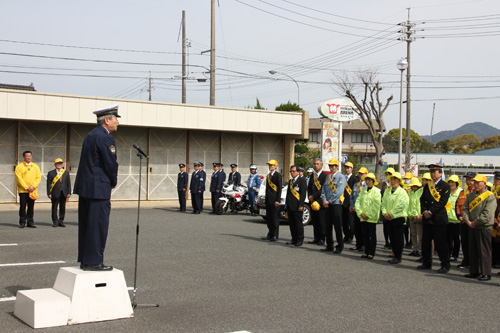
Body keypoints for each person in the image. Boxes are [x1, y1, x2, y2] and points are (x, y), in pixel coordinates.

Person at [73, 104, 120, 271]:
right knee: (98, 224)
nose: (117, 123)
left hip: (86, 186)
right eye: (115, 119)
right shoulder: (105, 137)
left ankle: (86, 259)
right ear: (107, 120)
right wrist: (113, 180)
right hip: (99, 187)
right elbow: (110, 163)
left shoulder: (91, 135)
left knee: (86, 224)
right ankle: (94, 261)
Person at [418, 163, 451, 274]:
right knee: (426, 242)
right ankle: (426, 262)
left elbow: (442, 202)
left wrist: (431, 212)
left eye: (434, 172)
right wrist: (424, 211)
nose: (432, 174)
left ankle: (445, 264)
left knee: (441, 243)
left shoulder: (445, 186)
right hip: (427, 219)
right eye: (431, 172)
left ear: (440, 173)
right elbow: (422, 200)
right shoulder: (428, 186)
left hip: (438, 219)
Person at [462, 174, 496, 281]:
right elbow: (465, 208)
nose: (475, 185)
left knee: (484, 251)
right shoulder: (471, 195)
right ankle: (474, 271)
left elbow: (487, 214)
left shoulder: (490, 196)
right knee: (472, 250)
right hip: (472, 226)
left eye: (478, 183)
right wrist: (467, 221)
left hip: (483, 226)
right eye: (474, 182)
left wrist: (475, 222)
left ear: (484, 184)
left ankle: (486, 273)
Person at [381, 172, 409, 264]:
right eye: (391, 180)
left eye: (395, 180)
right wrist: (385, 213)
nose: (393, 182)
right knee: (392, 237)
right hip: (389, 218)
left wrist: (391, 214)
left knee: (398, 238)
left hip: (398, 217)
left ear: (399, 181)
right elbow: (383, 203)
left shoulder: (402, 192)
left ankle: (398, 256)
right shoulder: (387, 191)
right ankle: (394, 254)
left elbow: (401, 205)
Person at [321, 158, 346, 254]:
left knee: (337, 226)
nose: (331, 168)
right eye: (330, 166)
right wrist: (324, 200)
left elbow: (339, 192)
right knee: (327, 226)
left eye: (333, 166)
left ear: (337, 167)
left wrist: (329, 201)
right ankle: (329, 245)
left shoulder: (341, 177)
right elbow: (323, 191)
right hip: (327, 205)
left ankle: (340, 246)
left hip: (336, 205)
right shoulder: (328, 177)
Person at [355, 173, 381, 259]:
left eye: (369, 180)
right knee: (365, 235)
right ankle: (366, 251)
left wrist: (368, 214)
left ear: (373, 181)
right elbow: (357, 202)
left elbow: (376, 205)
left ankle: (371, 252)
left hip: (371, 218)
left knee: (372, 235)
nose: (367, 181)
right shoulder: (363, 191)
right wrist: (360, 213)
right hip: (363, 217)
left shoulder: (377, 191)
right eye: (366, 180)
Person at [15, 150, 41, 228]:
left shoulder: (35, 166)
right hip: (23, 190)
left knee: (31, 206)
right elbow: (19, 179)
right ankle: (22, 222)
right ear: (23, 157)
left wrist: (33, 186)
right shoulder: (19, 167)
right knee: (23, 206)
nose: (28, 157)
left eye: (30, 156)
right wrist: (26, 187)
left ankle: (30, 222)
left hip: (33, 190)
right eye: (27, 156)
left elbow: (38, 177)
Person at [458, 171, 476, 269]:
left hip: (473, 222)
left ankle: (473, 262)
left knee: (472, 243)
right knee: (464, 242)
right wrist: (459, 216)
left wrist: (468, 218)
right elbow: (458, 206)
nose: (468, 182)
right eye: (467, 179)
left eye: (470, 180)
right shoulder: (462, 192)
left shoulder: (478, 193)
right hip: (463, 221)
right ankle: (466, 261)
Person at [307, 158, 328, 246]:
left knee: (321, 221)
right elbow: (309, 187)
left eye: (317, 164)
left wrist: (314, 196)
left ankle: (322, 238)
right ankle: (316, 238)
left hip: (320, 200)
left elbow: (323, 188)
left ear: (321, 165)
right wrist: (310, 196)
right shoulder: (312, 176)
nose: (315, 165)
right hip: (313, 201)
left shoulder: (325, 175)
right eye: (314, 164)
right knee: (315, 221)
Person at [285, 165, 307, 246]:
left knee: (298, 223)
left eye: (293, 171)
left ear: (298, 172)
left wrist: (301, 205)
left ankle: (299, 239)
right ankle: (293, 238)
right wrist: (286, 204)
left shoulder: (302, 180)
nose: (292, 173)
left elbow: (303, 194)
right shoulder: (291, 181)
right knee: (292, 223)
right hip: (290, 205)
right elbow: (288, 194)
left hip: (298, 206)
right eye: (291, 171)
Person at [46, 158, 71, 227]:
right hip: (54, 192)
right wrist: (49, 193)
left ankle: (61, 221)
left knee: (62, 207)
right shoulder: (51, 173)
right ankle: (55, 221)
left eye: (60, 163)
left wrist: (69, 192)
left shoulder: (66, 173)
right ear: (55, 164)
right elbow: (48, 184)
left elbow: (68, 183)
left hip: (64, 192)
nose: (59, 165)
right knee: (54, 207)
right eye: (57, 163)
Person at [445, 175, 465, 262]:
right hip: (447, 219)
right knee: (448, 238)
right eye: (450, 182)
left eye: (453, 182)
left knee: (456, 239)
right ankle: (448, 253)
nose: (451, 184)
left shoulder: (461, 192)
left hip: (457, 220)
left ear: (457, 183)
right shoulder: (446, 192)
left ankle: (455, 254)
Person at [262, 159, 282, 241]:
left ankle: (275, 235)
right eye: (269, 165)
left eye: (272, 165)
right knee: (269, 219)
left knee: (275, 219)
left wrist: (278, 200)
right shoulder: (268, 176)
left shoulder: (278, 175)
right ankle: (270, 234)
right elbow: (267, 189)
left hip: (274, 200)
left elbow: (279, 188)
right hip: (268, 200)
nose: (270, 166)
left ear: (275, 166)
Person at [350, 167, 368, 252]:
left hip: (363, 210)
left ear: (366, 174)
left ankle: (364, 245)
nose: (360, 175)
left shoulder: (367, 185)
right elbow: (352, 197)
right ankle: (358, 244)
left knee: (363, 229)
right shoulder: (356, 185)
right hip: (355, 209)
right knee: (356, 228)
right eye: (359, 174)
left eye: (362, 173)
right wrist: (352, 205)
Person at [342, 161, 358, 244]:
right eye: (346, 167)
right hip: (343, 202)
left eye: (348, 168)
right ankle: (346, 236)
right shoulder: (343, 178)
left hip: (350, 203)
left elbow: (355, 193)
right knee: (344, 222)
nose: (347, 169)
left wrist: (353, 204)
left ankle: (351, 236)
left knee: (351, 222)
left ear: (352, 168)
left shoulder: (355, 179)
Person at [407, 177, 423, 257]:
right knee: (413, 234)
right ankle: (414, 249)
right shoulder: (410, 192)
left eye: (415, 185)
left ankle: (420, 250)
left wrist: (418, 214)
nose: (413, 187)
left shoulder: (421, 191)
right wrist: (410, 214)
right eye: (412, 186)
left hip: (418, 215)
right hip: (412, 216)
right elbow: (409, 204)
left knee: (420, 235)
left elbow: (419, 205)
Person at [381, 167, 395, 249]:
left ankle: (392, 243)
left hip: (392, 209)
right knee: (385, 226)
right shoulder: (384, 184)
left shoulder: (395, 185)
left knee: (392, 228)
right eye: (386, 174)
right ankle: (387, 242)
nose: (387, 176)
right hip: (384, 207)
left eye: (389, 174)